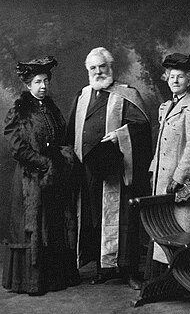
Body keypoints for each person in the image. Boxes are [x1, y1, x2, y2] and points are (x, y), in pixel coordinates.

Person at [66, 47, 152, 290]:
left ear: (110, 67)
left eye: (101, 66)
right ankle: (103, 269)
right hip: (89, 170)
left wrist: (120, 135)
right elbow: (71, 131)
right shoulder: (82, 96)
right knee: (94, 219)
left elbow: (142, 127)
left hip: (116, 167)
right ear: (87, 71)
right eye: (92, 68)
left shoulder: (126, 94)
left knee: (123, 221)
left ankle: (127, 270)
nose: (98, 71)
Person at [2, 56, 80, 296]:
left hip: (52, 179)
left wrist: (62, 158)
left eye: (46, 80)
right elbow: (17, 148)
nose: (43, 86)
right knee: (33, 227)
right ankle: (31, 281)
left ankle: (55, 278)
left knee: (53, 225)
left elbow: (63, 139)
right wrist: (43, 162)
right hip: (30, 179)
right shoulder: (19, 110)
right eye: (38, 81)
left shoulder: (52, 109)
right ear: (28, 85)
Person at [149, 53, 190, 274]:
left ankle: (185, 274)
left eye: (181, 77)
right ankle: (167, 274)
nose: (175, 81)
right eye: (172, 76)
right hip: (162, 179)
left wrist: (179, 177)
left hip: (182, 183)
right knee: (163, 224)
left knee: (182, 225)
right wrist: (153, 169)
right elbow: (161, 144)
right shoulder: (166, 107)